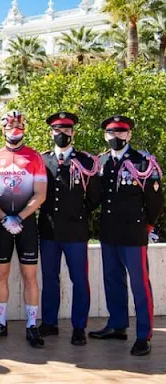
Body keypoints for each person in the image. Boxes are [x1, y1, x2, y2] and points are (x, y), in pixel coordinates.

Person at [89, 115, 163, 356]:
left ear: (129, 135)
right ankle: (117, 325)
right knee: (112, 279)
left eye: (121, 132)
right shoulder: (100, 162)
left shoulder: (143, 162)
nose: (116, 137)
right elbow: (94, 197)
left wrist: (148, 225)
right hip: (109, 231)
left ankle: (144, 335)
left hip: (134, 232)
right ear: (105, 136)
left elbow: (154, 201)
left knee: (140, 285)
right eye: (111, 133)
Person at [0, 110, 47, 349]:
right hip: (1, 225)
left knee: (30, 276)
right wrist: (4, 219)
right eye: (9, 126)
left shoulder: (35, 157)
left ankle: (32, 326)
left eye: (18, 126)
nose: (14, 130)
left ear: (25, 128)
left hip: (26, 224)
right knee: (1, 275)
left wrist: (18, 217)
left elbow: (40, 194)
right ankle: (1, 322)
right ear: (2, 129)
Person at [38, 112, 101, 346]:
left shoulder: (85, 162)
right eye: (57, 130)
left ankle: (79, 327)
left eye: (66, 130)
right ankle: (49, 323)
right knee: (50, 278)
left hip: (75, 231)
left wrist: (78, 213)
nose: (61, 134)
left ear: (73, 132)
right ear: (50, 133)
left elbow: (94, 197)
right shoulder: (42, 160)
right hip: (49, 230)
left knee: (80, 280)